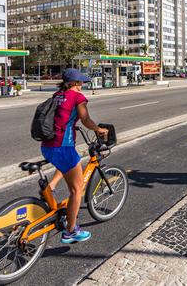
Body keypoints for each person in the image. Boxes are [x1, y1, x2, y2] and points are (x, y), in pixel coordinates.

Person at [42, 68, 108, 244]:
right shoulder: (77, 97)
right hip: (62, 146)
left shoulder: (57, 95)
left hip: (47, 146)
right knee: (77, 189)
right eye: (80, 82)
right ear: (75, 83)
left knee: (70, 164)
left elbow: (61, 116)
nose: (82, 85)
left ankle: (51, 187)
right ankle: (70, 231)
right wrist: (98, 129)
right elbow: (85, 119)